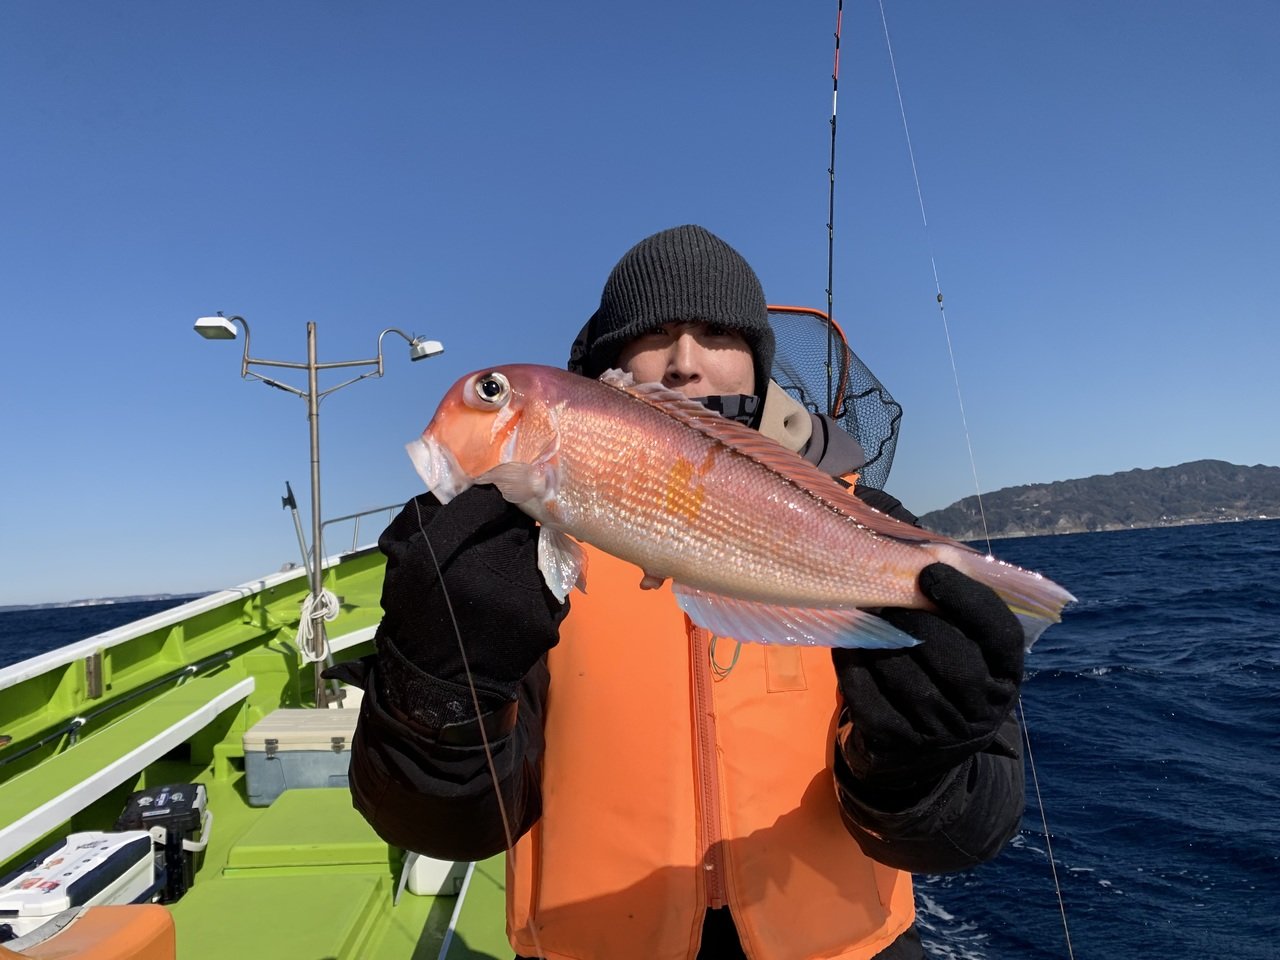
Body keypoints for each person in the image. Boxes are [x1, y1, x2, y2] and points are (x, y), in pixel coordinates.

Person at [329, 225, 1026, 960]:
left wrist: (918, 763)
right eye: (653, 335)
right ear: (608, 369)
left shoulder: (877, 534)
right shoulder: (506, 554)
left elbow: (967, 832)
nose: (685, 361)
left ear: (758, 362)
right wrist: (434, 690)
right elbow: (443, 826)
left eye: (718, 333)